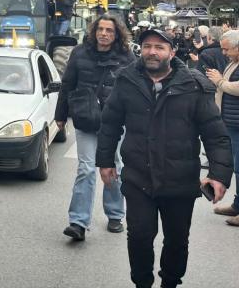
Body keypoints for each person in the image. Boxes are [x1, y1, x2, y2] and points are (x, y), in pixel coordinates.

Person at [96, 29, 233, 288]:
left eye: (159, 47)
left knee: (177, 240)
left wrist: (219, 175)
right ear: (141, 50)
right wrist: (105, 161)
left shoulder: (193, 85)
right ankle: (142, 283)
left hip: (180, 180)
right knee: (139, 236)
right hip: (138, 178)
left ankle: (170, 282)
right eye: (147, 46)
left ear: (171, 52)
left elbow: (215, 135)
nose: (152, 52)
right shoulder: (127, 81)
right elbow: (110, 124)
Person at [54, 13, 135, 241]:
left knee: (113, 167)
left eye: (109, 30)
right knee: (86, 169)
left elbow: (136, 90)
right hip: (85, 119)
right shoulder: (80, 53)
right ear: (94, 31)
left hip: (115, 123)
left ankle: (115, 214)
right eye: (100, 29)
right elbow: (67, 84)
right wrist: (60, 115)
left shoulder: (126, 57)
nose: (104, 34)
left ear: (116, 33)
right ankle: (78, 222)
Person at [205, 29, 239, 225]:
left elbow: (231, 86)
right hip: (231, 122)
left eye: (227, 49)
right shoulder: (234, 62)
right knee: (237, 168)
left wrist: (219, 81)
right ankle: (237, 204)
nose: (224, 53)